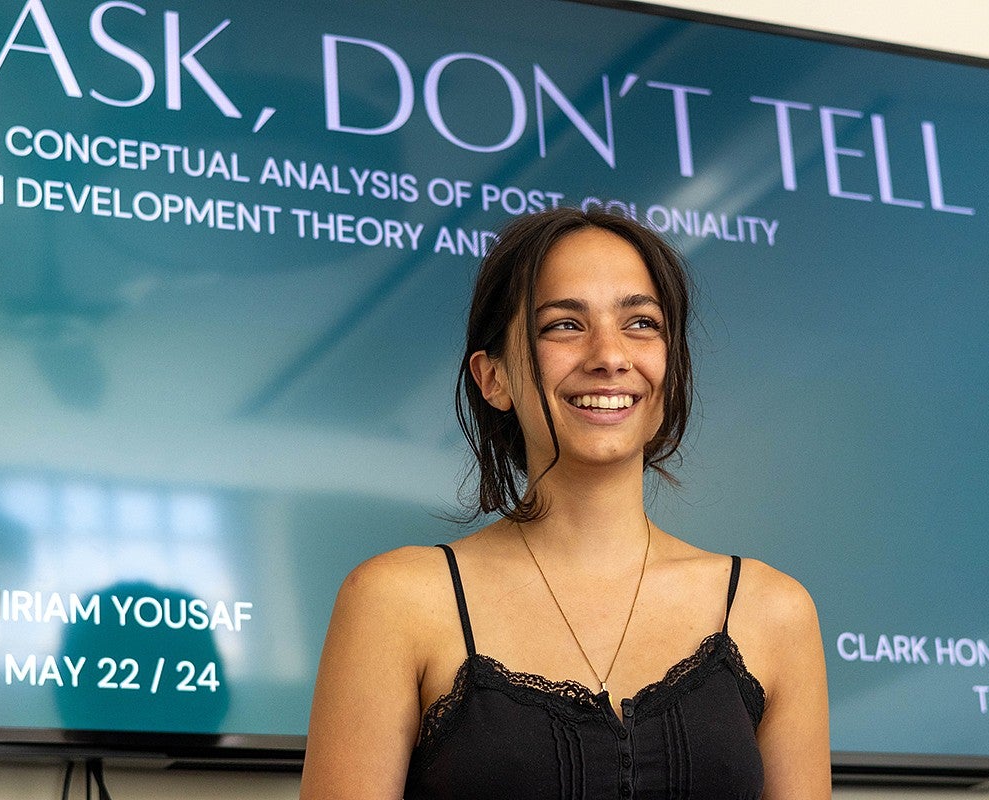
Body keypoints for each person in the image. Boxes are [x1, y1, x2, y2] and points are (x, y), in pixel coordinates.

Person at [299, 208, 830, 799]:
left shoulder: (774, 610)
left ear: (671, 372)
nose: (610, 355)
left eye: (642, 323)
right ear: (492, 377)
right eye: (563, 326)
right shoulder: (395, 601)